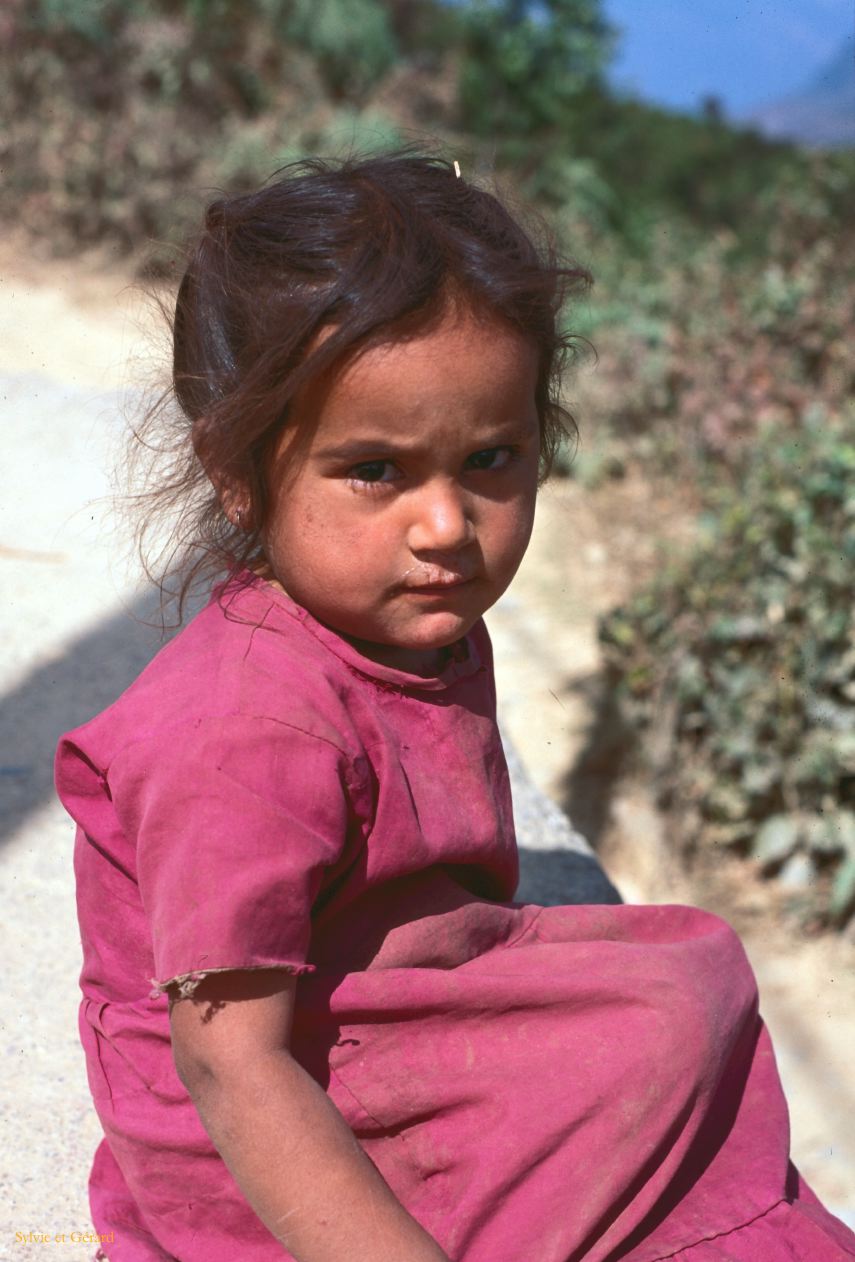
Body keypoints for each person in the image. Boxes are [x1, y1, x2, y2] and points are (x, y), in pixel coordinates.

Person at [55, 149, 855, 1262]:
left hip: (384, 1022)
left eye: (491, 458)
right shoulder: (248, 722)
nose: (446, 524)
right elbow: (226, 1063)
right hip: (268, 1153)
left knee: (682, 979)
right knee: (661, 1019)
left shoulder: (404, 622)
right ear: (238, 470)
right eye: (375, 471)